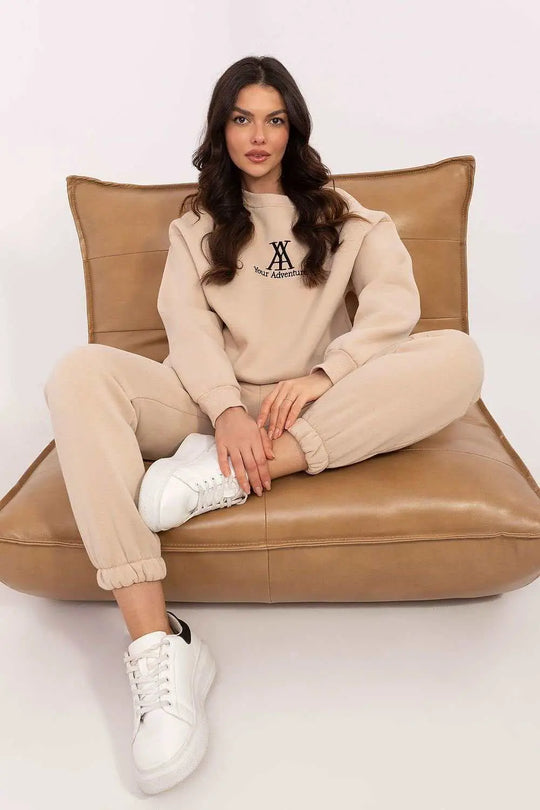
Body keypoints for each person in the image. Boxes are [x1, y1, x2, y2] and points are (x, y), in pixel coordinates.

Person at [43, 55, 485, 795]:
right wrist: (224, 411)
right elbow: (189, 333)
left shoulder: (346, 219)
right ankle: (158, 644)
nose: (258, 136)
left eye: (274, 120)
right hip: (202, 403)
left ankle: (236, 474)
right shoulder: (196, 227)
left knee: (460, 358)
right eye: (242, 118)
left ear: (293, 129)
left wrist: (323, 378)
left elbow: (394, 311)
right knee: (78, 372)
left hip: (308, 407)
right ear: (221, 129)